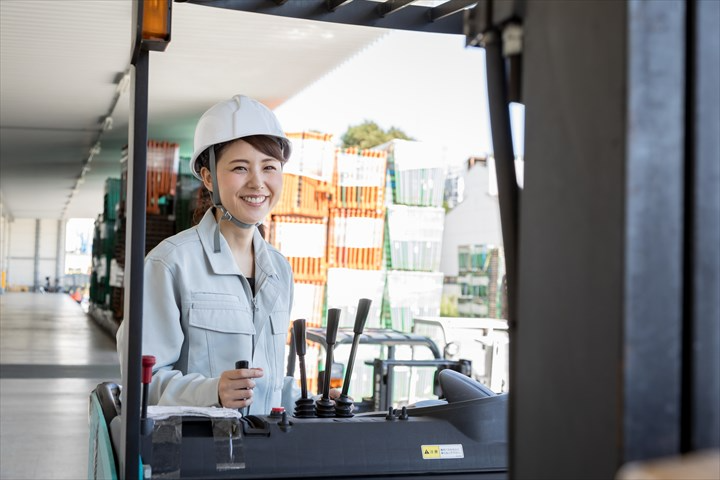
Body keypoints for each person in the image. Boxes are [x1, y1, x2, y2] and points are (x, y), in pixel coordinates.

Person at [117, 95, 300, 414]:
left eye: (269, 167)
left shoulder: (279, 271)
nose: (258, 182)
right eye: (240, 168)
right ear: (208, 177)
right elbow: (140, 381)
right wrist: (211, 390)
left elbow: (270, 382)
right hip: (194, 454)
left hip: (266, 454)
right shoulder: (172, 264)